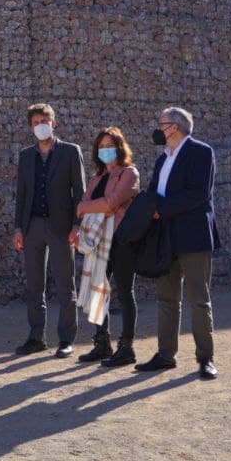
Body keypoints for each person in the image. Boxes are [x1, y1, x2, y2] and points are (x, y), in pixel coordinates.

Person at [135, 107, 221, 379]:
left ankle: (205, 358)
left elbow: (198, 194)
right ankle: (165, 355)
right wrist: (146, 209)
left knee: (199, 299)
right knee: (166, 298)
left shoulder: (201, 151)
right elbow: (153, 192)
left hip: (193, 236)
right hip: (165, 237)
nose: (158, 128)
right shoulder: (163, 159)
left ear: (175, 126)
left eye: (161, 123)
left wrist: (162, 209)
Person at [13, 103, 85, 358]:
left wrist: (78, 226)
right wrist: (18, 228)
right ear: (31, 127)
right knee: (34, 285)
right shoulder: (25, 156)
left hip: (61, 227)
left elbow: (80, 192)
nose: (40, 126)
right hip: (32, 226)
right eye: (35, 122)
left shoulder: (70, 152)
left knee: (65, 284)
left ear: (54, 123)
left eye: (44, 121)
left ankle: (66, 339)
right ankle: (36, 337)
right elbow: (21, 194)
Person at [74, 128, 141, 366]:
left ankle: (127, 347)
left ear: (119, 147)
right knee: (96, 292)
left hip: (121, 240)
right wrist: (91, 207)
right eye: (101, 147)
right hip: (98, 241)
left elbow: (112, 203)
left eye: (109, 145)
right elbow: (82, 205)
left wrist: (88, 206)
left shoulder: (129, 173)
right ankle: (102, 344)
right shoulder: (97, 178)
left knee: (124, 292)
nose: (105, 150)